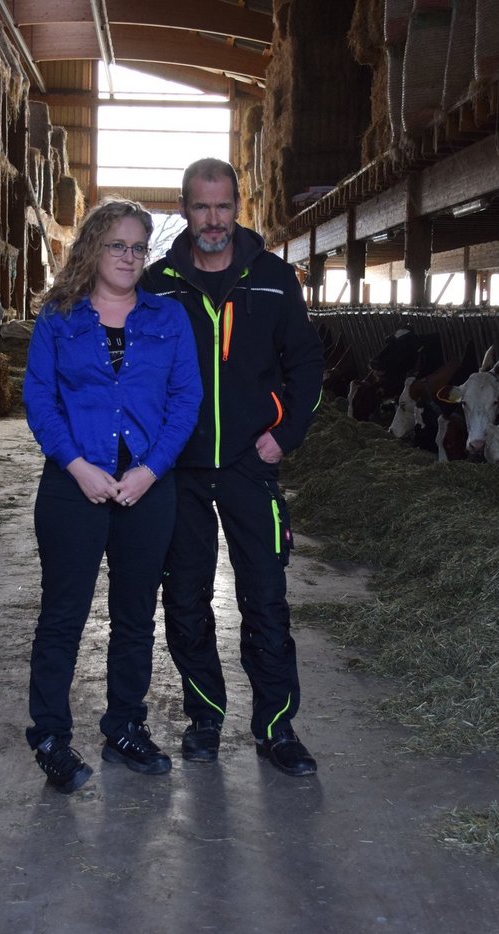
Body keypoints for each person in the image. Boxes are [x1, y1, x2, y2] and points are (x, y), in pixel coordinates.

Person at [142, 158, 326, 777]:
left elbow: (307, 367)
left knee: (266, 599)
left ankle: (277, 729)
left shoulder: (275, 279)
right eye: (201, 207)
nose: (213, 220)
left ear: (238, 207)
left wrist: (286, 434)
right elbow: (137, 375)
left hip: (252, 466)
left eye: (223, 207)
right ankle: (204, 720)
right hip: (181, 470)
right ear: (185, 208)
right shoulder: (159, 283)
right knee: (186, 599)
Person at [22, 199, 202, 794]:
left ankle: (124, 723)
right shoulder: (58, 317)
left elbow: (185, 402)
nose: (129, 257)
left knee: (135, 615)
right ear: (93, 249)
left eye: (138, 247)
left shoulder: (168, 318)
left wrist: (151, 470)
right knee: (63, 615)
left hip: (146, 490)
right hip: (75, 486)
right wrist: (77, 466)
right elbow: (40, 403)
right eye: (117, 245)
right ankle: (50, 736)